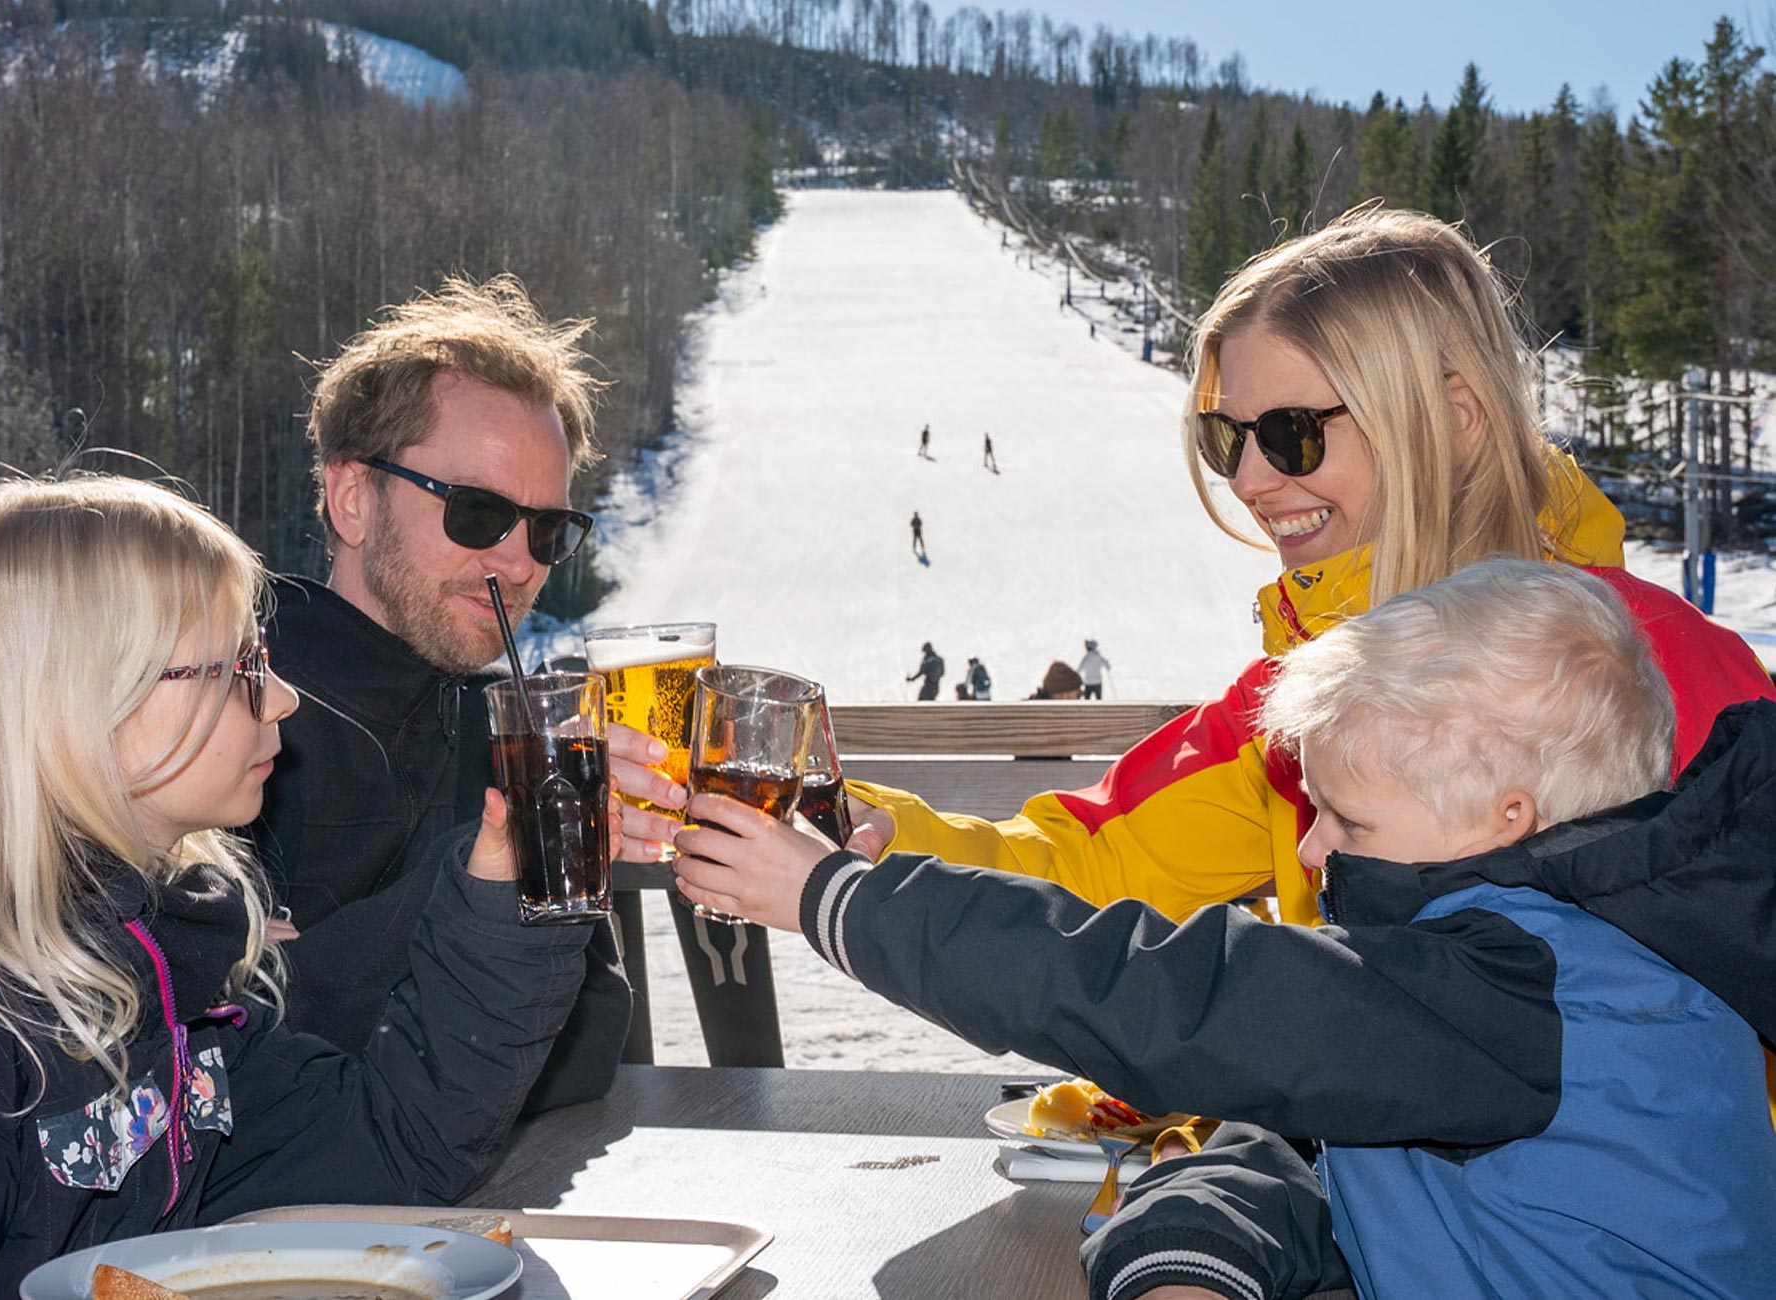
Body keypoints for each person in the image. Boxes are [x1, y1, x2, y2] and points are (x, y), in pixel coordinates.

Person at [672, 560, 1776, 1300]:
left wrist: (838, 900)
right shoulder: (1544, 966)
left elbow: (1172, 994)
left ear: (1505, 818)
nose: (1307, 853)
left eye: (1347, 818)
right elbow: (1330, 1147)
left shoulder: (1535, 988)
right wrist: (1196, 1247)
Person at [846, 205, 1774, 947]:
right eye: (1227, 438)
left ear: (1455, 421)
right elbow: (1102, 862)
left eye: (1293, 433)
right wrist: (851, 816)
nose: (1251, 481)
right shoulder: (1306, 706)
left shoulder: (1670, 678)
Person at [0, 476, 622, 1297]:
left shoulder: (163, 971)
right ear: (84, 704)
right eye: (239, 667)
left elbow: (394, 1144)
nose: (284, 696)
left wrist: (505, 895)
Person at [248, 275, 674, 1086]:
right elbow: (237, 1045)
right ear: (352, 499)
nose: (518, 563)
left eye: (549, 529)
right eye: (476, 512)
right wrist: (486, 883)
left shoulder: (510, 732)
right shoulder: (231, 716)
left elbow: (586, 1044)